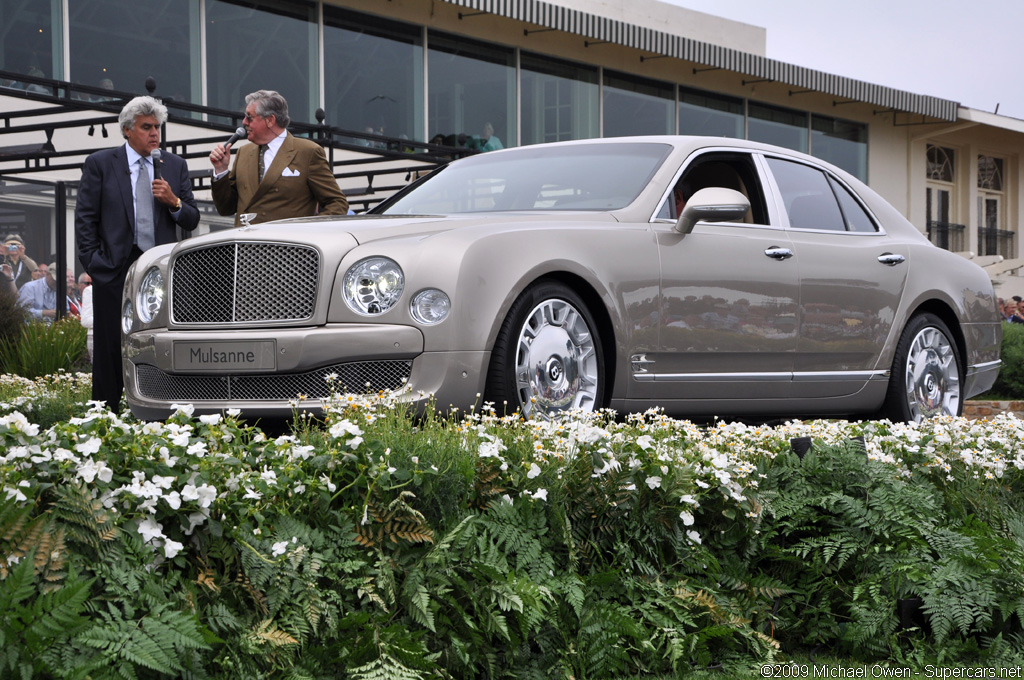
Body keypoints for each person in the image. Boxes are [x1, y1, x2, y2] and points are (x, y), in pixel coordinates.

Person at [75, 95, 200, 411]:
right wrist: (95, 264)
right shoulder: (101, 164)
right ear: (127, 130)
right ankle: (105, 416)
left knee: (158, 342)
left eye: (157, 127)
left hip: (158, 270)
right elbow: (85, 219)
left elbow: (192, 218)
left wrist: (174, 202)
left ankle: (162, 411)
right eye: (147, 127)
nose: (155, 134)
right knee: (109, 349)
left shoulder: (174, 165)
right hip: (114, 269)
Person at [209, 89, 348, 227]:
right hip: (245, 246)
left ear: (270, 120)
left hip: (285, 246)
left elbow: (337, 203)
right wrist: (221, 170)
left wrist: (308, 230)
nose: (244, 122)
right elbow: (225, 208)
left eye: (249, 117)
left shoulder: (308, 152)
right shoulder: (243, 153)